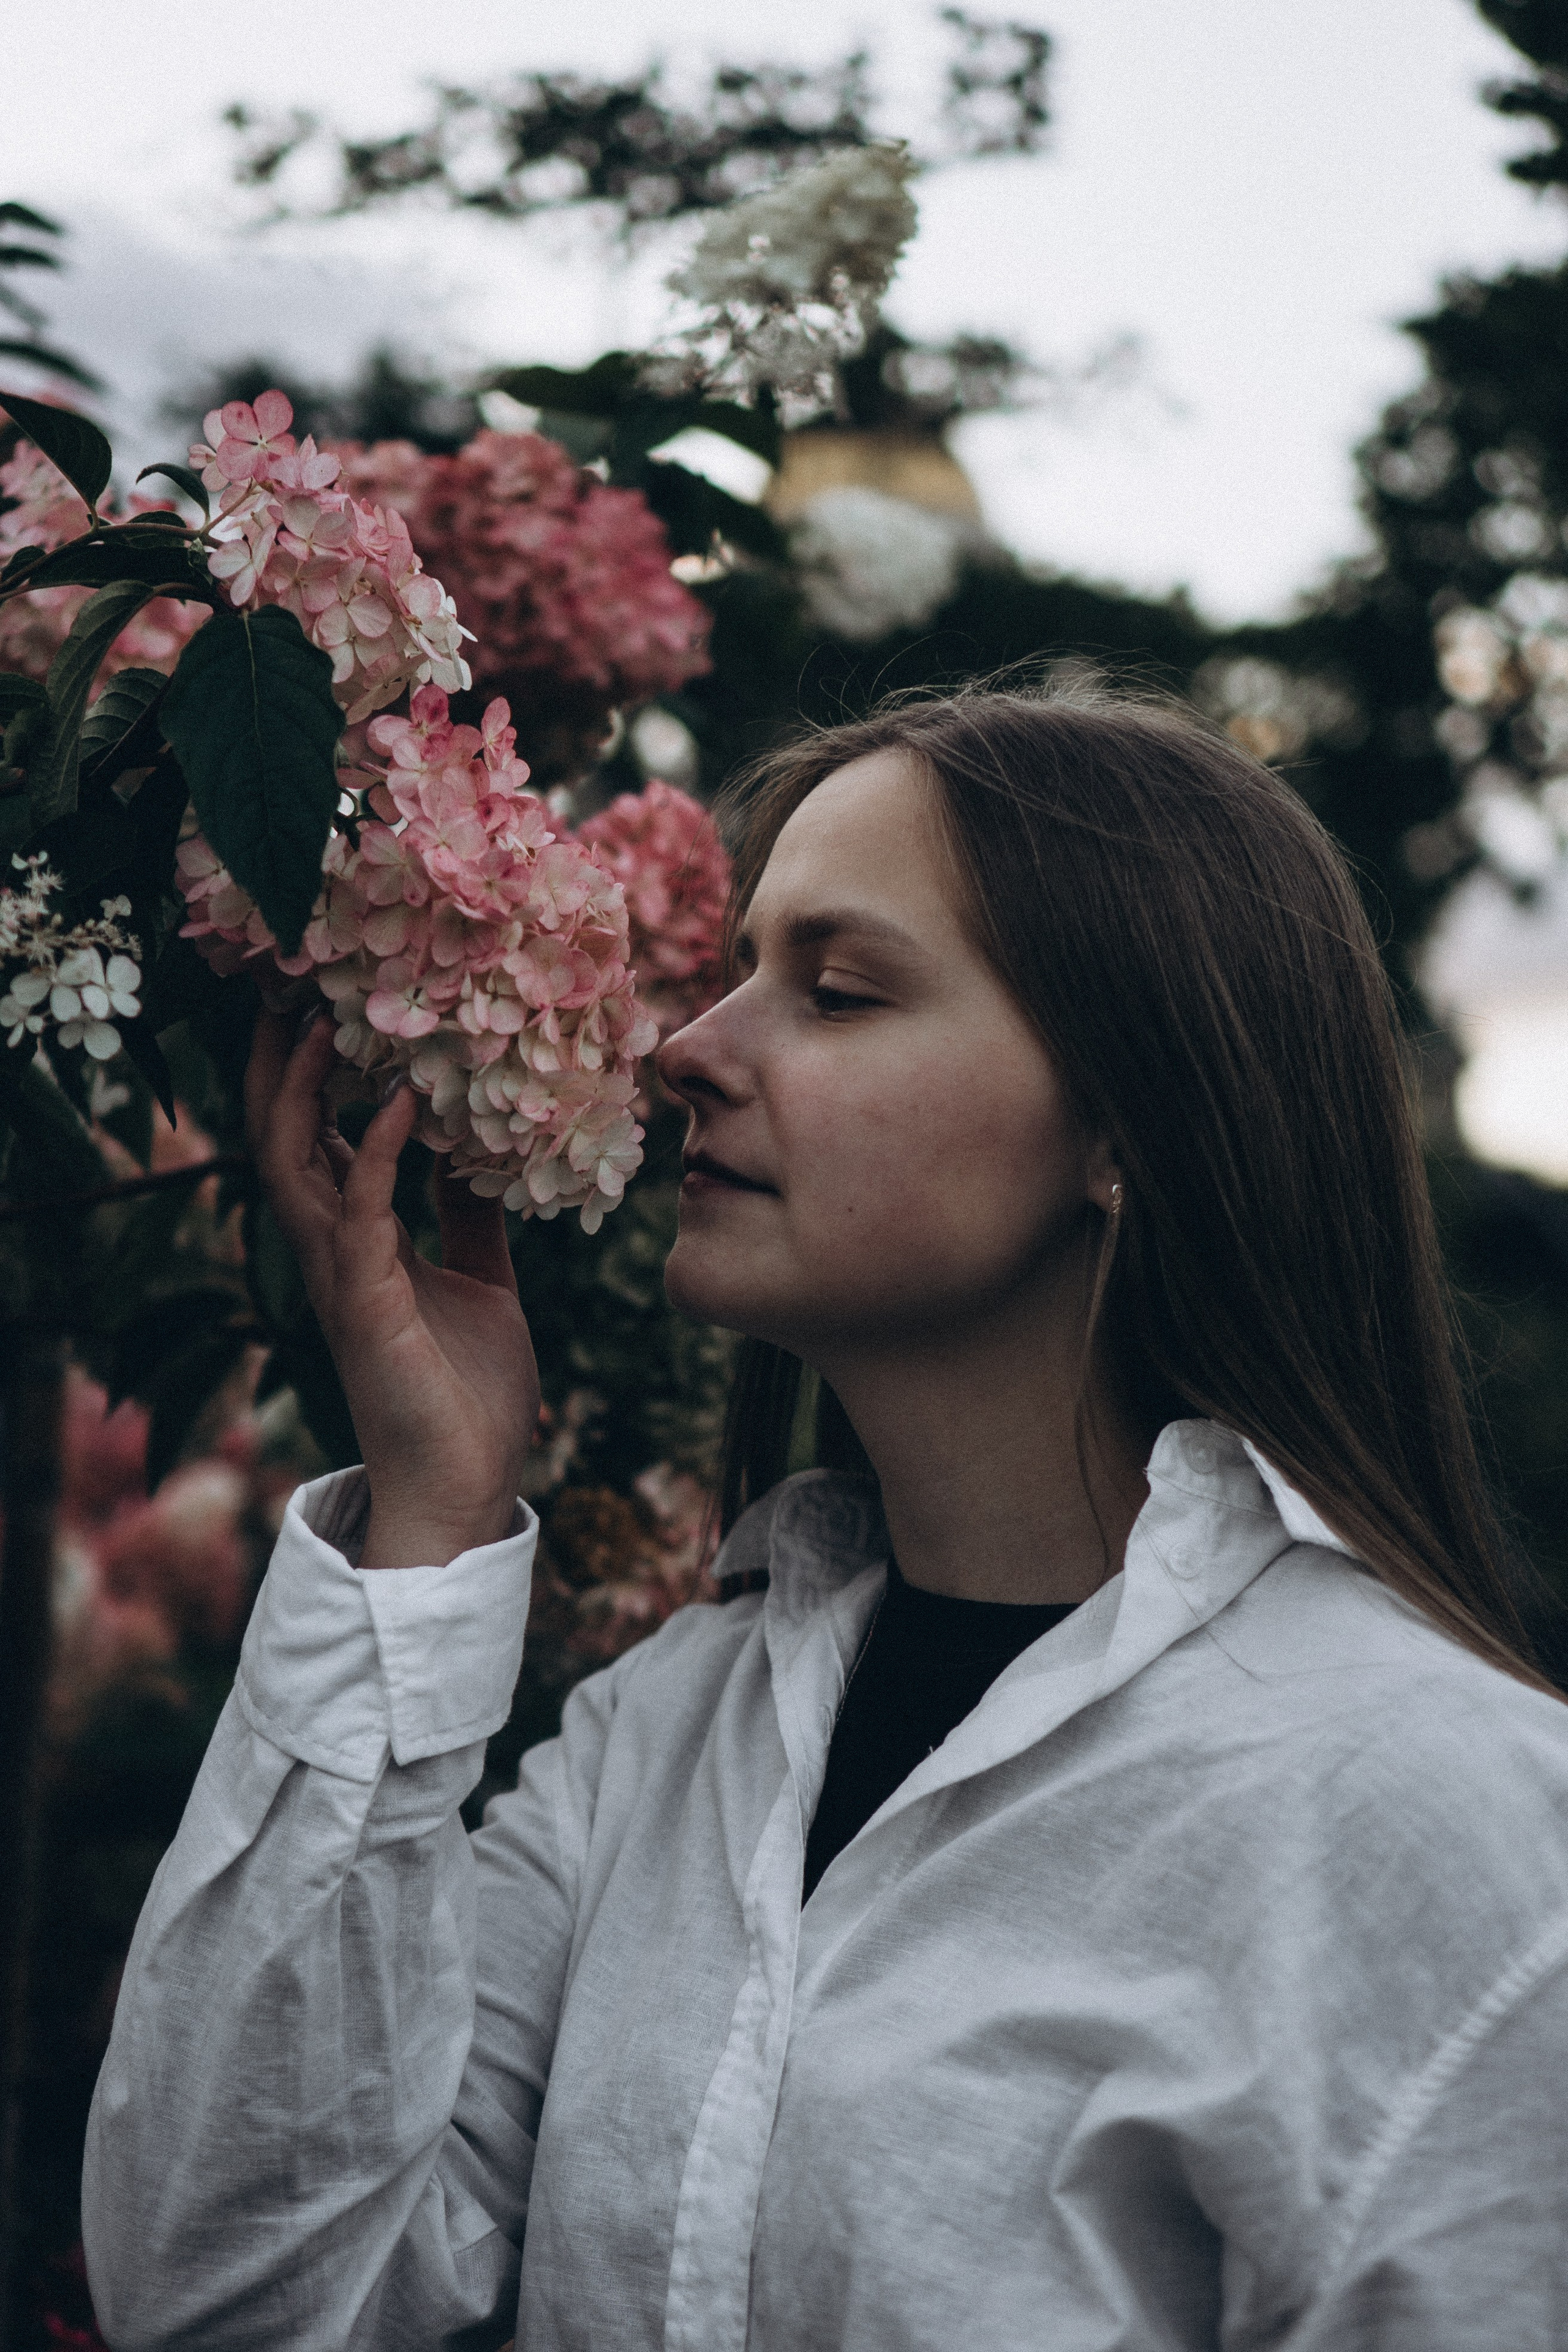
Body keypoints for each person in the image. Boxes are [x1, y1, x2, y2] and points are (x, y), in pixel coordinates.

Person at [83, 682, 1568, 2350]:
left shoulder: (1445, 1829)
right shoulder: (663, 1741)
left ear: (1127, 1128)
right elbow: (236, 2299)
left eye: (839, 992)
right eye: (737, 966)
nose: (685, 1048)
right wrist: (430, 1513)